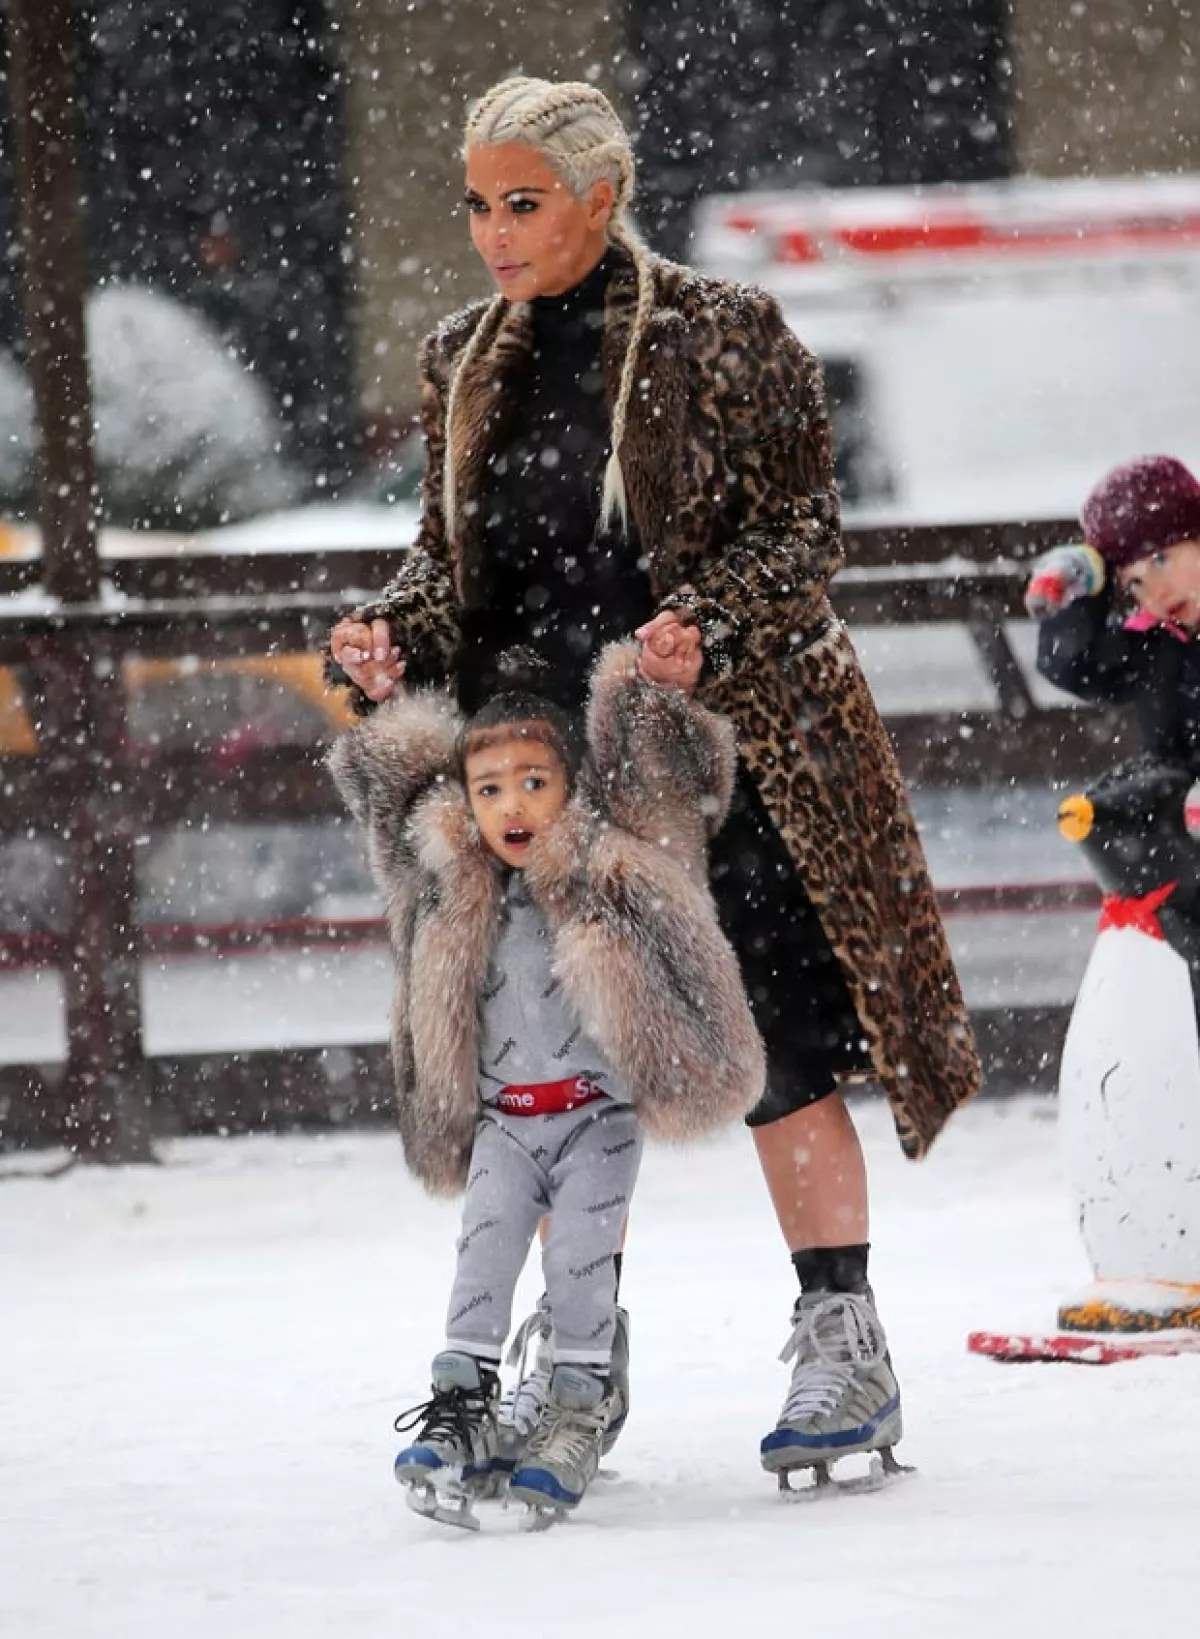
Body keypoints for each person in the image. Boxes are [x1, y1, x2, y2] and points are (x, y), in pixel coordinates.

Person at [326, 74, 980, 1485]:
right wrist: (396, 634)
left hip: (712, 753)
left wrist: (711, 626)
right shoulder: (462, 354)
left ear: (600, 197)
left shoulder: (725, 332)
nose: (494, 233)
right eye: (478, 206)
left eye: (523, 202)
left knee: (778, 1045)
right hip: (541, 777)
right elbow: (452, 565)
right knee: (547, 1072)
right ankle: (577, 1356)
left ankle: (842, 1336)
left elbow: (806, 522)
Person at [328, 643, 764, 1521]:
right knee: (481, 1262)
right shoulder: (452, 882)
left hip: (595, 1122)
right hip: (504, 1123)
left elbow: (670, 788)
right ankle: (462, 1407)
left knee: (579, 1268)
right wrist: (383, 705)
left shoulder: (612, 867)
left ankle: (574, 1409)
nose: (511, 804)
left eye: (533, 780)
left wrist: (648, 690)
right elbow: (400, 797)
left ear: (573, 785)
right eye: (488, 788)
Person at [1027, 454, 1200, 771]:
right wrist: (1083, 579)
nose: (1155, 591)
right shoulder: (1153, 647)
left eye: (1160, 561)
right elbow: (1068, 664)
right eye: (1135, 582)